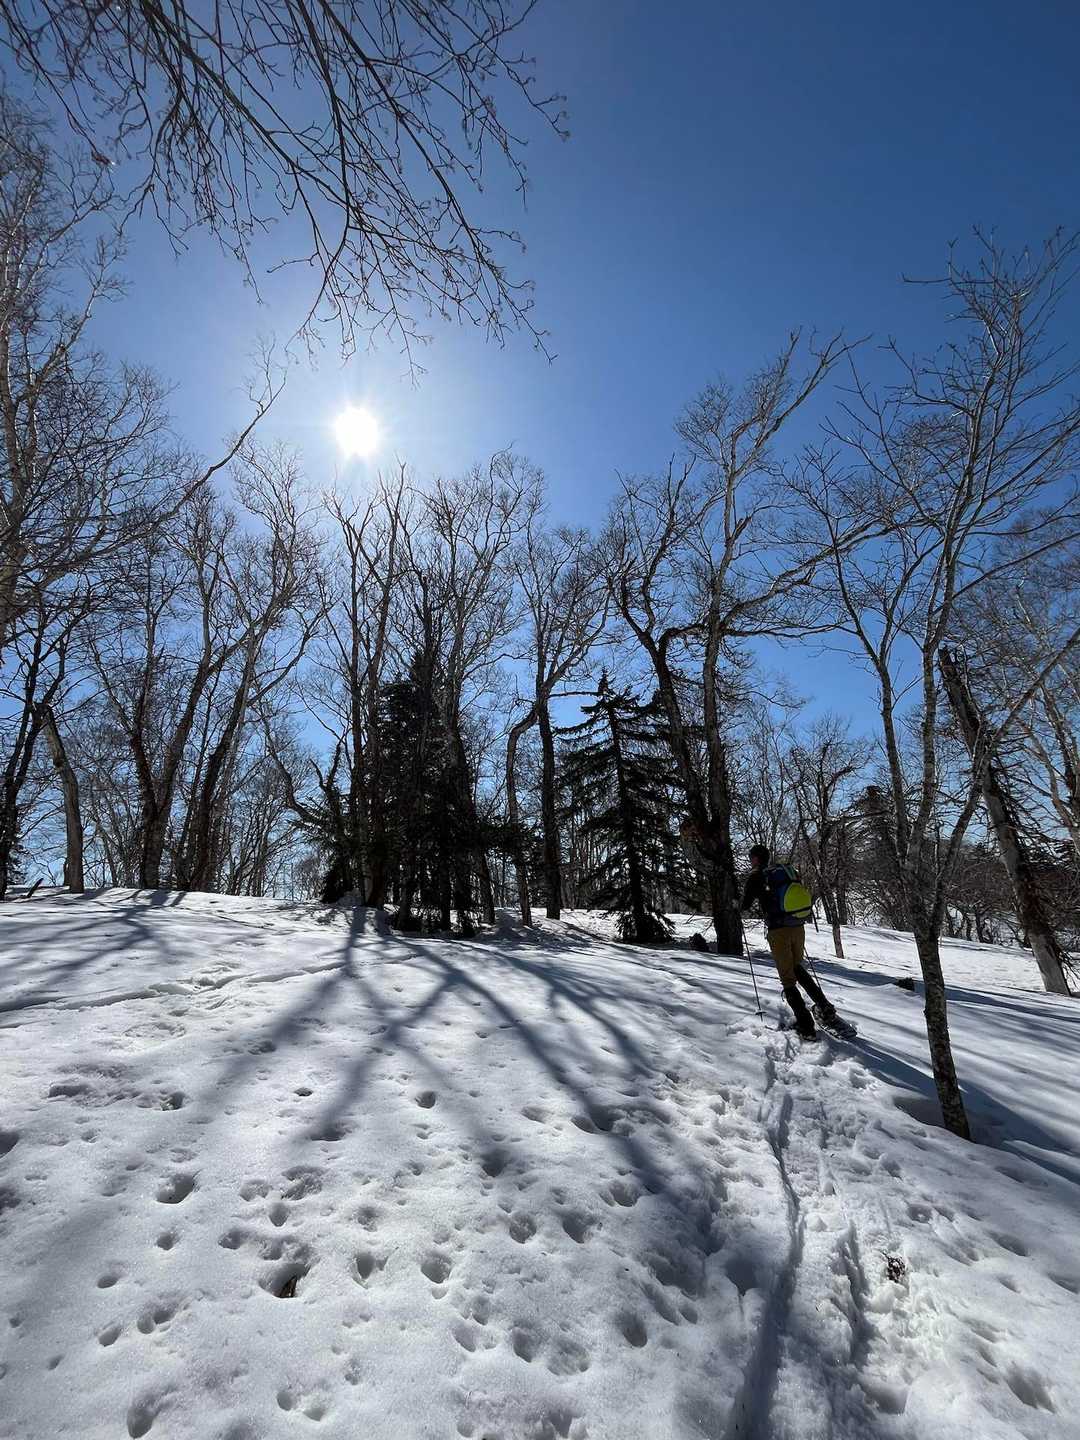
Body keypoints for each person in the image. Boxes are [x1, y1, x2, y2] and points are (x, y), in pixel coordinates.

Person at [740, 843, 844, 1039]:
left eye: (751, 857)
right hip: (797, 926)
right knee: (797, 967)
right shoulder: (785, 871)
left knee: (787, 979)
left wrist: (736, 903)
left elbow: (745, 905)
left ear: (755, 858)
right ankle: (825, 1008)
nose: (750, 860)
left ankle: (806, 1026)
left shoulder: (756, 876)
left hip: (779, 931)